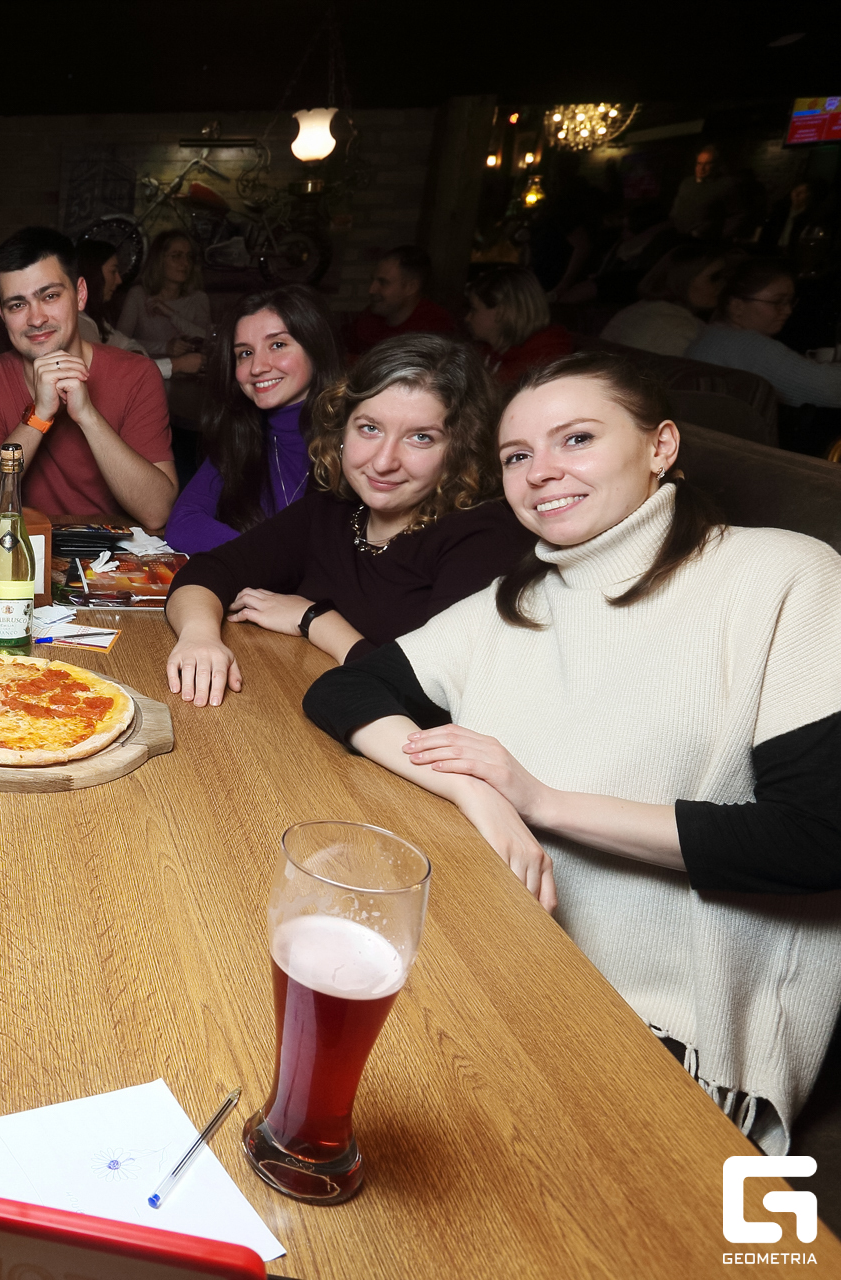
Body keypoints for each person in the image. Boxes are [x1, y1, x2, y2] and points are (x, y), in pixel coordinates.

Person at [301, 350, 841, 1157]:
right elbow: (346, 692)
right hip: (484, 959)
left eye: (576, 439)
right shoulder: (517, 597)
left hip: (659, 1031)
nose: (541, 472)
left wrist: (541, 801)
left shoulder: (786, 576)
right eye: (517, 455)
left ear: (661, 445)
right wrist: (476, 791)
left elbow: (817, 839)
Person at [164, 334, 531, 705]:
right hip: (302, 707)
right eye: (369, 428)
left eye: (420, 437)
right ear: (342, 429)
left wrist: (315, 621)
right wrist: (199, 638)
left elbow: (435, 699)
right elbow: (210, 571)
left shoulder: (483, 537)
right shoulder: (333, 510)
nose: (383, 461)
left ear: (460, 449)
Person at [0, 227, 176, 524]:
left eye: (50, 296)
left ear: (80, 295)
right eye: (17, 305)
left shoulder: (137, 374)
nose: (36, 319)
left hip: (113, 548)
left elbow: (157, 512)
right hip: (22, 546)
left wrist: (87, 415)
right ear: (2, 314)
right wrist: (38, 417)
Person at [164, 284, 344, 553]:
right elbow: (182, 523)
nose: (257, 367)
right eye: (245, 353)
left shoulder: (357, 439)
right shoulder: (241, 435)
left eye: (278, 345)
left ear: (315, 348)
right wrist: (266, 555)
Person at [685, 259, 841, 456]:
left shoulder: (713, 334)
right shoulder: (744, 344)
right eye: (777, 302)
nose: (788, 310)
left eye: (790, 302)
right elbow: (829, 389)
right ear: (737, 305)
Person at [598, 244, 730, 357]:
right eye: (715, 277)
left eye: (725, 276)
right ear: (683, 279)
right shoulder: (680, 327)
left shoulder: (637, 310)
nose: (723, 284)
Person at [465, 265, 573, 384]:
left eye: (473, 309)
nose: (467, 318)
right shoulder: (483, 351)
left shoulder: (543, 362)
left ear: (501, 312)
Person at [113, 230, 211, 360]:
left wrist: (172, 315)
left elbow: (208, 341)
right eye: (176, 256)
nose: (185, 263)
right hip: (149, 369)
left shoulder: (198, 298)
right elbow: (118, 343)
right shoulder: (138, 295)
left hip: (191, 369)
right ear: (159, 260)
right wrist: (164, 347)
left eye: (189, 257)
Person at [350, 245, 457, 353]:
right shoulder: (369, 317)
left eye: (383, 282)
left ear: (411, 287)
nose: (371, 290)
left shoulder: (434, 328)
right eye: (373, 280)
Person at [670, 144, 739, 240]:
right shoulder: (687, 183)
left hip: (702, 241)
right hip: (677, 235)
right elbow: (677, 205)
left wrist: (721, 236)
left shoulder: (726, 185)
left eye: (707, 164)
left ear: (716, 165)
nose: (701, 168)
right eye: (699, 163)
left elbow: (738, 214)